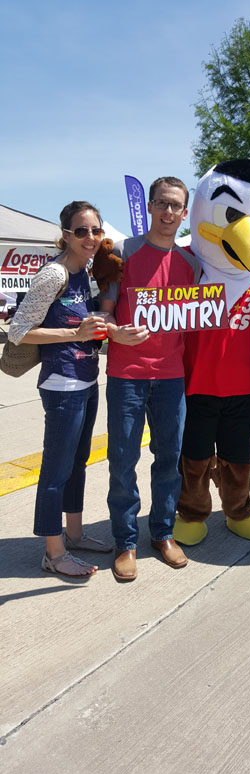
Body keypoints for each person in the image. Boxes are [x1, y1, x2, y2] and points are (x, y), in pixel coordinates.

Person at [99, 176, 201, 581]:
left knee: (169, 460)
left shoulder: (191, 264)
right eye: (162, 203)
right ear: (150, 207)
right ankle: (125, 541)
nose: (168, 212)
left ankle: (162, 533)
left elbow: (196, 317)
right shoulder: (123, 253)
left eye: (176, 205)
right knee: (123, 461)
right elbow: (104, 313)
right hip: (126, 376)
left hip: (171, 376)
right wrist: (114, 332)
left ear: (184, 213)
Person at [8, 201, 111, 577]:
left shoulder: (85, 271)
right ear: (65, 235)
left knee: (78, 464)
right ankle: (53, 553)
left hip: (87, 379)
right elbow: (18, 331)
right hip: (62, 384)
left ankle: (75, 534)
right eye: (81, 231)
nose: (90, 237)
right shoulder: (54, 273)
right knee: (56, 470)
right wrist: (74, 333)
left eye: (96, 230)